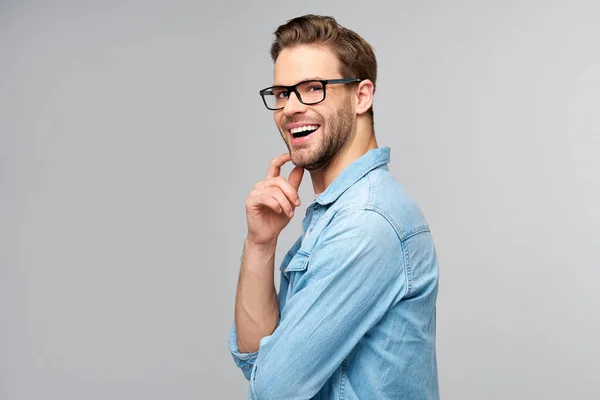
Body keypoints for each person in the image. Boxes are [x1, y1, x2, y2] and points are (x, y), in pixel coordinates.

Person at [228, 14, 439, 400]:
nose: (290, 108)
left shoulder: (366, 221)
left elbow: (273, 389)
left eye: (312, 88)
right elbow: (254, 356)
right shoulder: (336, 215)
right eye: (281, 93)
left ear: (361, 96)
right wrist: (260, 245)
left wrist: (265, 372)